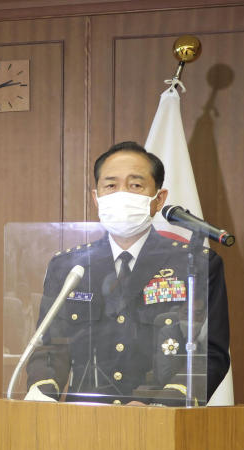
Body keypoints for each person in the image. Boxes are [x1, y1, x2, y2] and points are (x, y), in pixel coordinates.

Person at [24, 141, 229, 406]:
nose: (121, 194)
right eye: (110, 185)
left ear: (159, 199)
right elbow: (50, 345)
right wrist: (42, 393)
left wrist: (161, 404)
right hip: (81, 422)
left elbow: (210, 353)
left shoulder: (194, 263)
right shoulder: (69, 267)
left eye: (135, 185)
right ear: (96, 198)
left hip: (162, 424)